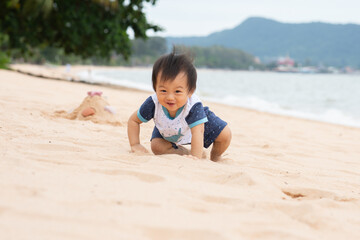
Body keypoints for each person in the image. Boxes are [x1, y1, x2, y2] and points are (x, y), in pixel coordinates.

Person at [127, 50, 231, 161]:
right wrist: (135, 144)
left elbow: (198, 132)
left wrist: (195, 157)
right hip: (167, 128)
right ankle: (183, 152)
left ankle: (216, 156)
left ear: (190, 91)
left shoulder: (193, 107)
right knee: (157, 147)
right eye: (163, 90)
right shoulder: (153, 103)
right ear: (155, 88)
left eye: (177, 91)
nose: (170, 97)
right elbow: (133, 121)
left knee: (225, 135)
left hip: (199, 126)